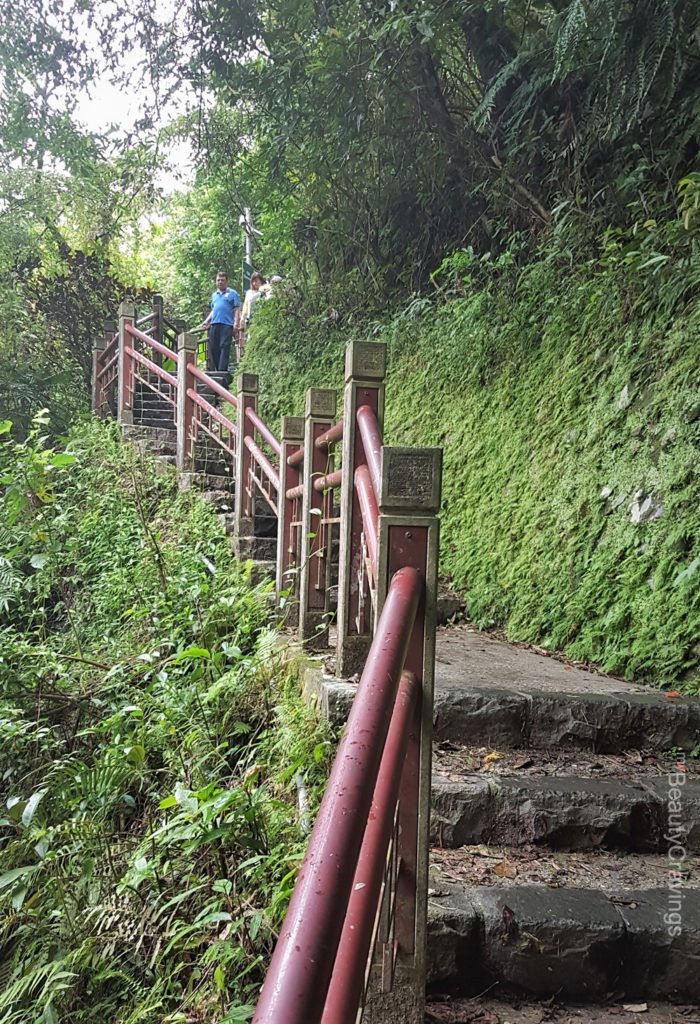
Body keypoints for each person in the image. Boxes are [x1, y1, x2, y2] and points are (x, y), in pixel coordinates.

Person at [198, 271, 241, 372]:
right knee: (213, 348)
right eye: (218, 280)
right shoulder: (214, 295)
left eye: (222, 280)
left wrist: (236, 323)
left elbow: (237, 309)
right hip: (214, 324)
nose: (220, 282)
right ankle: (218, 369)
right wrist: (206, 321)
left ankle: (222, 371)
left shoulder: (232, 294)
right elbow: (214, 310)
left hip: (227, 324)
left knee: (224, 346)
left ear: (226, 282)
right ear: (216, 282)